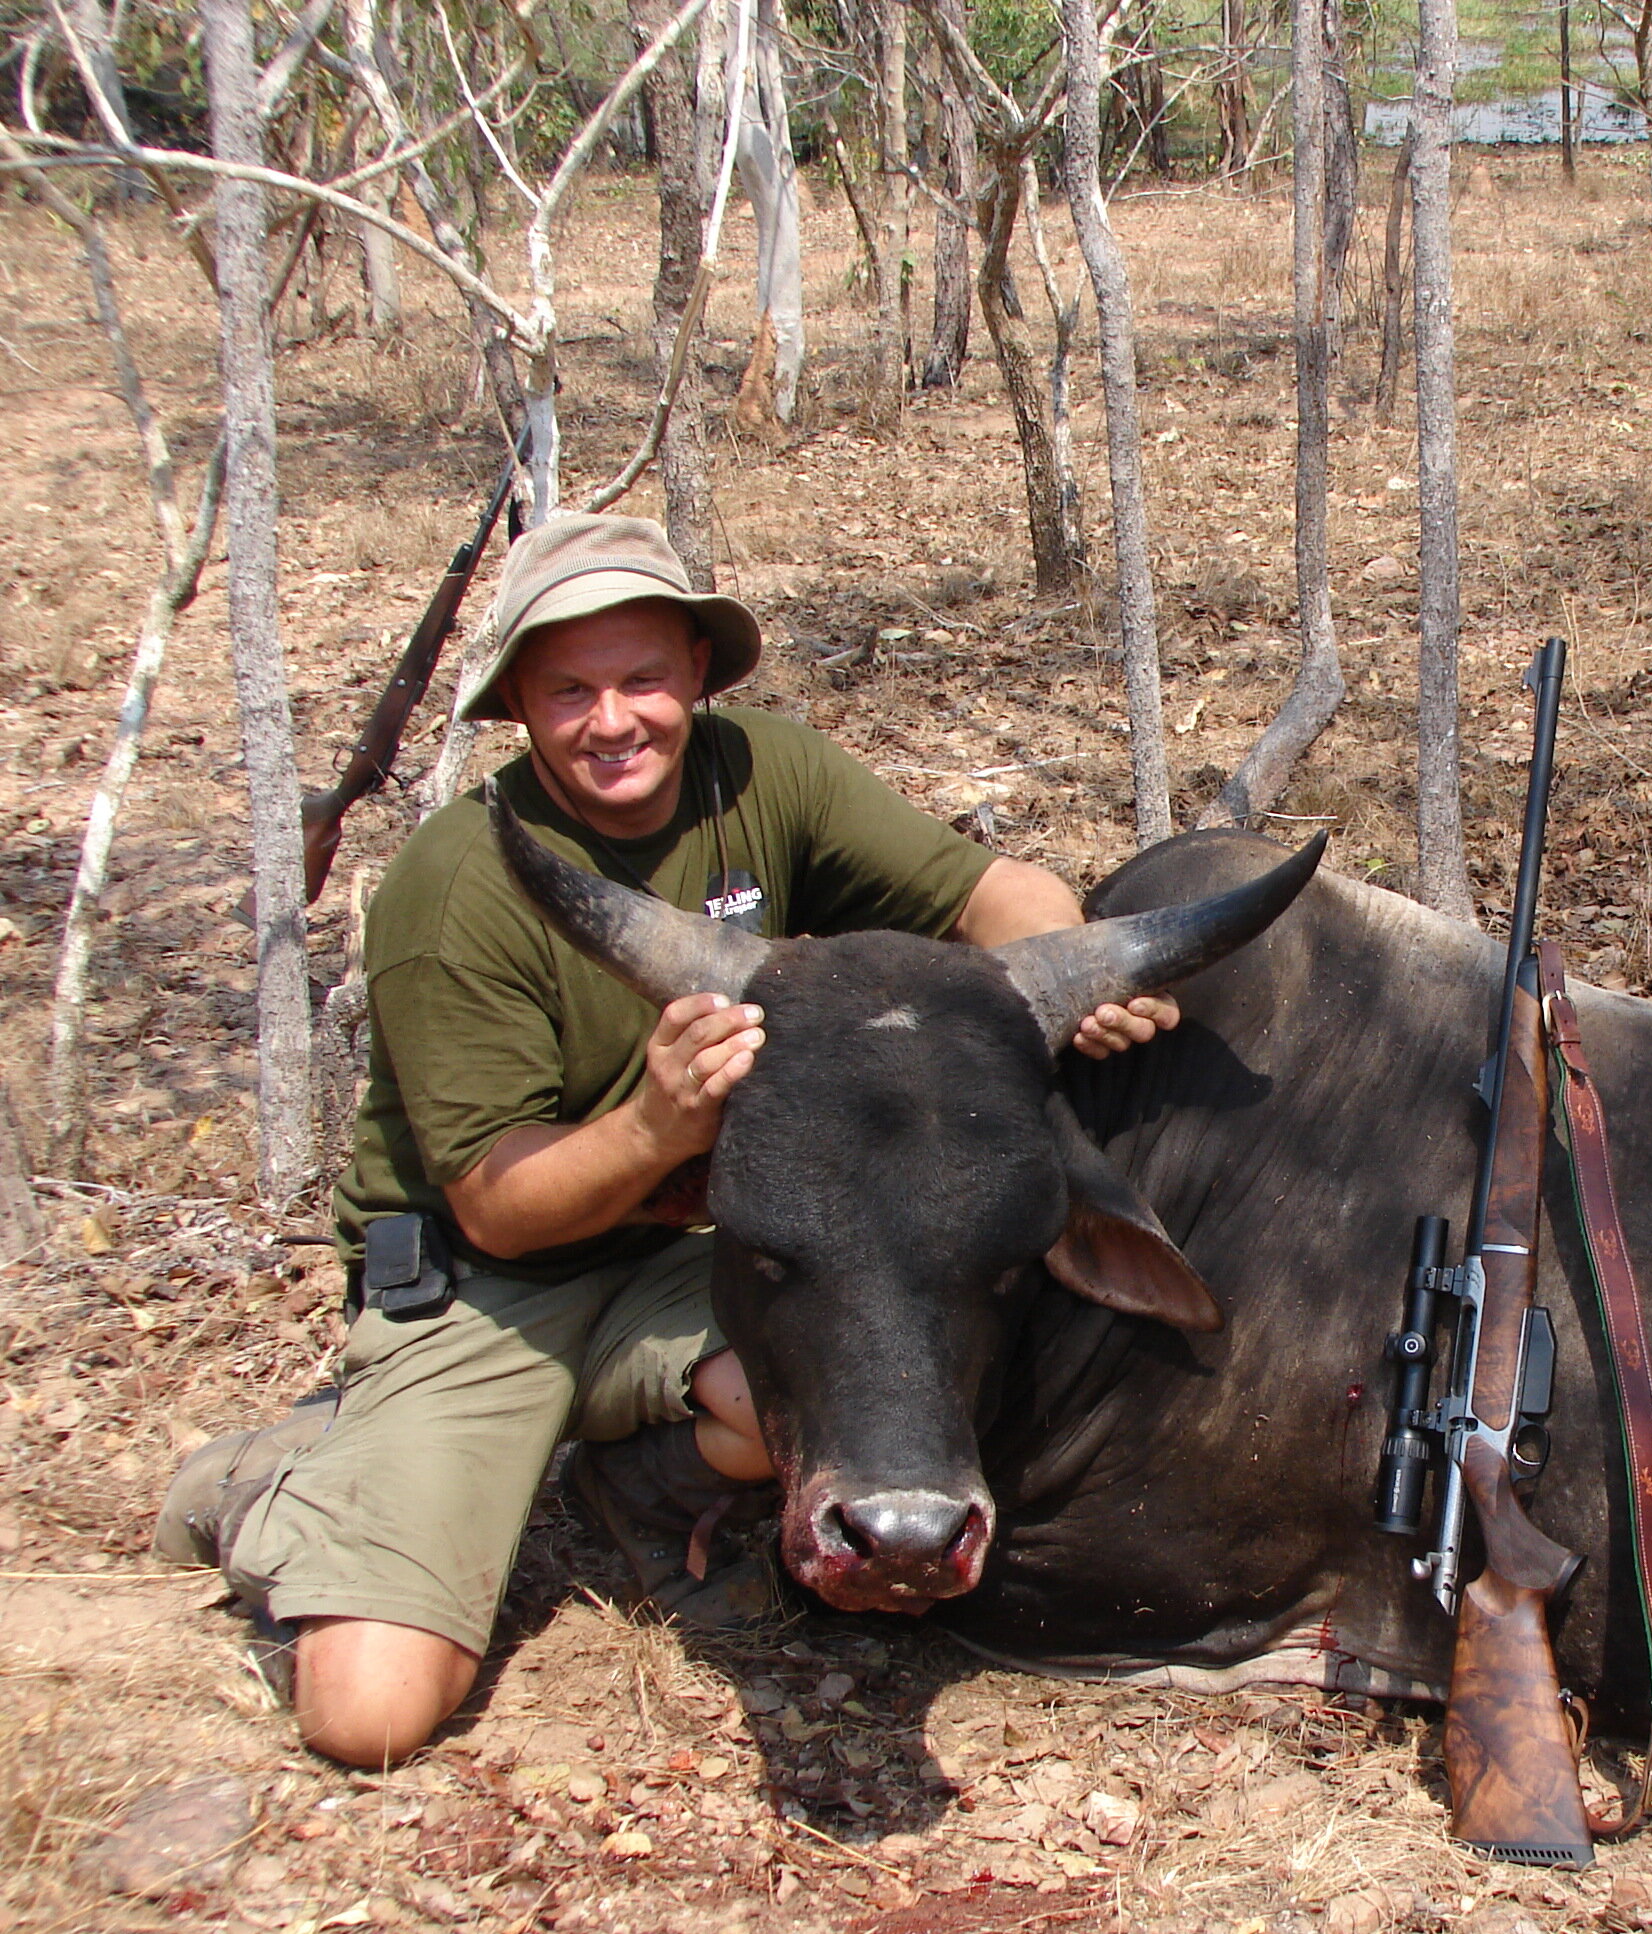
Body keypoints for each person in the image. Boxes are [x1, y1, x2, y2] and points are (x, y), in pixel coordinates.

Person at [155, 513, 1175, 1770]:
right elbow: (496, 1211)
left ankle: (624, 1486)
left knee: (883, 1375)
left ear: (695, 672)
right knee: (367, 1720)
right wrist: (657, 1121)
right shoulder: (456, 885)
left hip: (684, 1259)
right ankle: (271, 1480)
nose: (612, 720)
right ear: (520, 707)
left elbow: (987, 890)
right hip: (491, 1291)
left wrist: (1039, 988)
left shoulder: (764, 773)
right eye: (568, 690)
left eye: (642, 679)